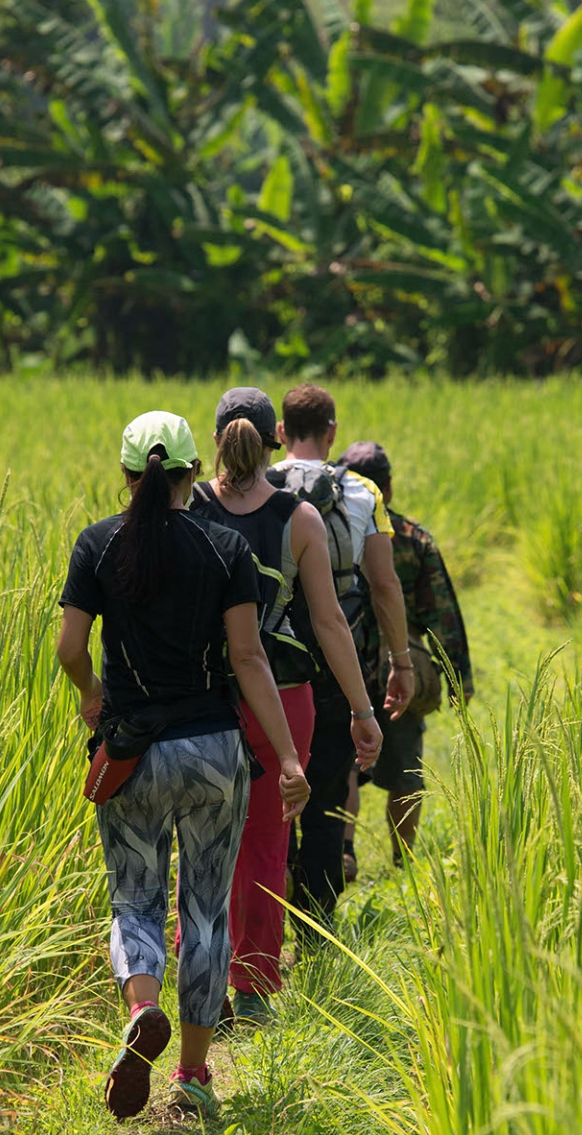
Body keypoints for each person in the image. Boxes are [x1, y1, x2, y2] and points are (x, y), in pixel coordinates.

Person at [55, 410, 309, 1123]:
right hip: (214, 752)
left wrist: (92, 695)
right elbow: (249, 657)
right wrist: (287, 756)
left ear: (128, 475)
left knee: (134, 898)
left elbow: (70, 646)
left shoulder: (98, 546)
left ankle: (142, 1007)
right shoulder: (224, 547)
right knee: (205, 910)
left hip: (132, 753)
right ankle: (193, 1078)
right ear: (194, 475)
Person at [189, 388, 383, 1027]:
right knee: (268, 846)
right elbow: (328, 621)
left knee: (202, 844)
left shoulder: (188, 508)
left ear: (213, 437)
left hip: (203, 697)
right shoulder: (299, 519)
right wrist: (362, 708)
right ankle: (253, 990)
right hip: (287, 695)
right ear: (273, 434)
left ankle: (203, 989)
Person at [268, 384, 414, 931]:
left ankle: (267, 926)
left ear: (281, 432)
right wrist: (400, 660)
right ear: (332, 432)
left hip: (269, 671)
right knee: (328, 802)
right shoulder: (363, 494)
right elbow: (383, 584)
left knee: (272, 800)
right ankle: (319, 936)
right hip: (337, 666)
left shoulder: (254, 490)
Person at [340, 441, 475, 867]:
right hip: (404, 668)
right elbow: (443, 615)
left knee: (343, 762)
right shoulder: (414, 540)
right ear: (389, 487)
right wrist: (459, 679)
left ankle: (343, 850)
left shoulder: (329, 533)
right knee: (405, 773)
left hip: (344, 661)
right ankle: (404, 862)